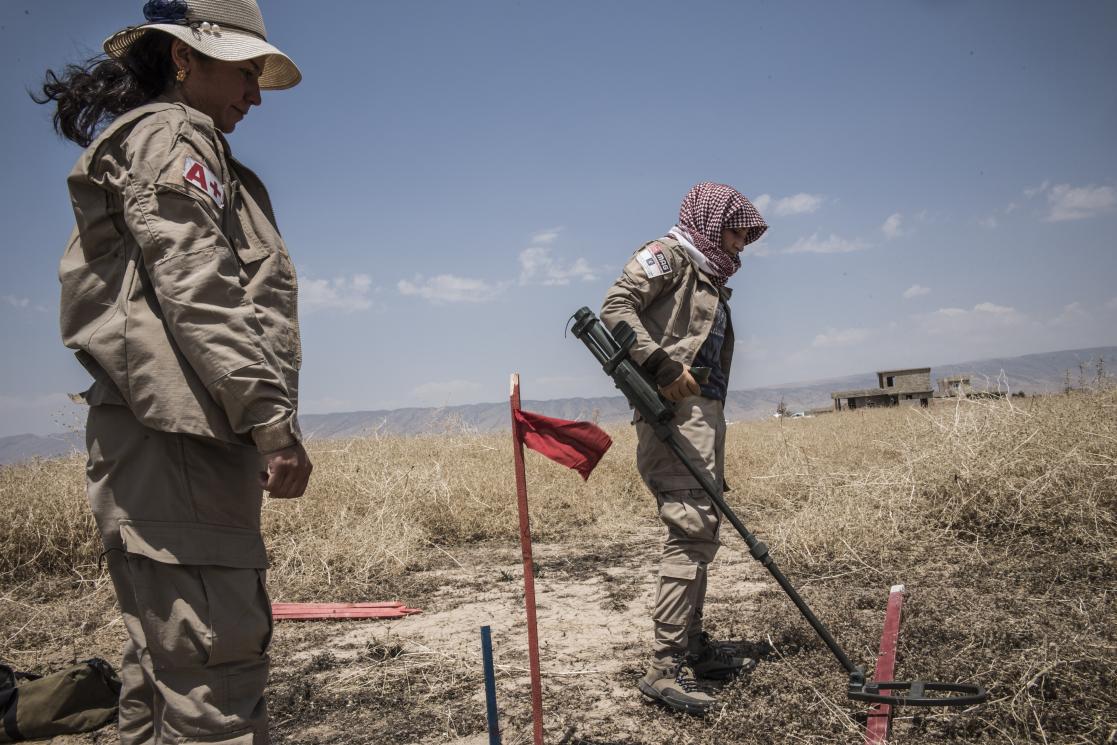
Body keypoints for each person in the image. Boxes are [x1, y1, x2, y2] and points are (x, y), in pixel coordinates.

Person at [36, 1, 311, 742]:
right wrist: (270, 421)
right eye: (244, 71)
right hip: (182, 442)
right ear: (183, 59)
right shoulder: (175, 135)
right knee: (213, 679)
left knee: (163, 667)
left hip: (160, 441)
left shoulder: (164, 138)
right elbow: (201, 287)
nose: (254, 93)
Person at [600, 182, 768, 715]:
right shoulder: (668, 256)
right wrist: (661, 364)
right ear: (713, 221)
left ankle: (693, 648)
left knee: (703, 528)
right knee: (691, 527)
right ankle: (664, 667)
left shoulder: (705, 272)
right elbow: (614, 307)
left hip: (704, 413)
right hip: (674, 413)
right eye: (738, 231)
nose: (742, 243)